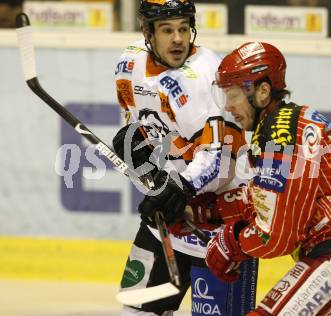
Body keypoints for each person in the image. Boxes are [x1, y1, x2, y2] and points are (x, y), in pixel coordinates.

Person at [205, 41, 331, 315]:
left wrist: (233, 243)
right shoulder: (289, 122)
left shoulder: (281, 133)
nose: (228, 106)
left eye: (233, 96)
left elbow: (277, 237)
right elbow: (267, 197)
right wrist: (209, 209)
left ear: (263, 91)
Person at [113, 1, 257, 315]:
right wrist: (144, 165)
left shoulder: (203, 74)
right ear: (148, 33)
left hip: (222, 222)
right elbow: (135, 127)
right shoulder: (129, 63)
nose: (178, 38)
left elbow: (219, 158)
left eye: (182, 28)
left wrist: (178, 187)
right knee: (135, 311)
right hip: (171, 214)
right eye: (167, 30)